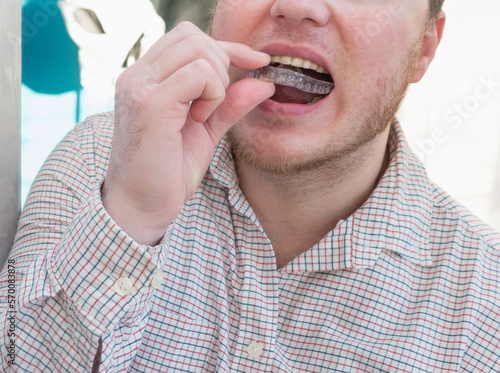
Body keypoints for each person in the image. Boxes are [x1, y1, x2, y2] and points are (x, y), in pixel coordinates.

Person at [1, 0, 500, 371]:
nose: (297, 6)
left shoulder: (485, 310)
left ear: (424, 50)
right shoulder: (100, 161)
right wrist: (130, 214)